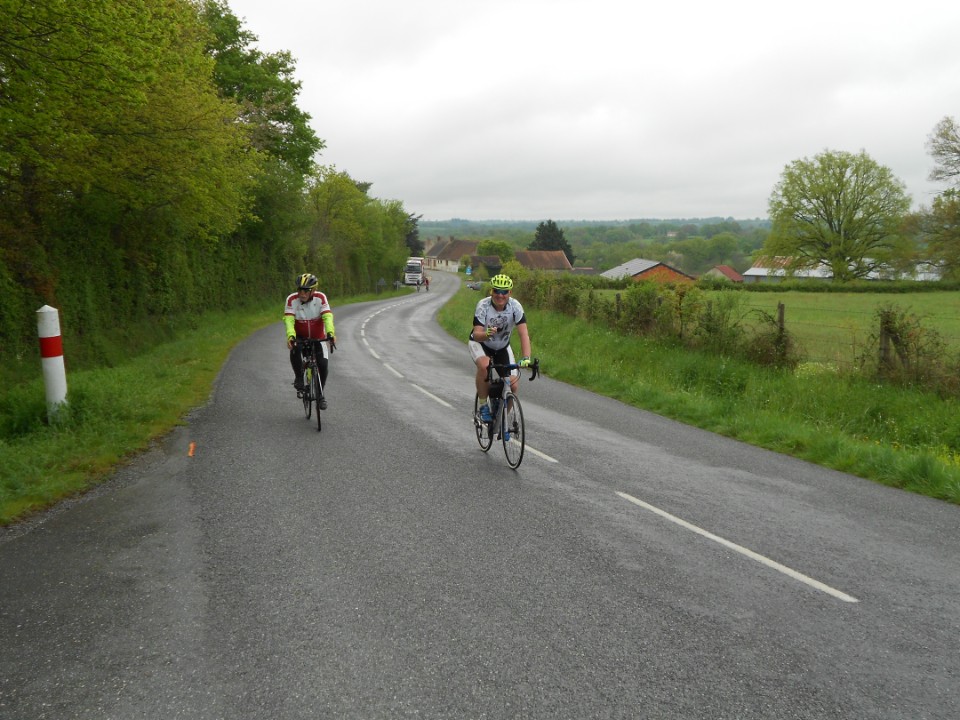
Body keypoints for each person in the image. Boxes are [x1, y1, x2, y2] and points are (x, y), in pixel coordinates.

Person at [468, 273, 532, 422]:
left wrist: (526, 358)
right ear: (491, 291)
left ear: (510, 292)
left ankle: (500, 419)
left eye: (504, 292)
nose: (500, 295)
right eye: (497, 290)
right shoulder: (483, 305)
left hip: (502, 346)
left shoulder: (515, 307)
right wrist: (486, 334)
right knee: (484, 365)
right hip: (480, 343)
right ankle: (483, 406)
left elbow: (523, 334)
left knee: (513, 385)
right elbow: (476, 334)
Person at [284, 273, 335, 409]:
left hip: (318, 336)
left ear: (313, 290)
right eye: (300, 290)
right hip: (300, 336)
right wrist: (291, 336)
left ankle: (320, 395)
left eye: (306, 291)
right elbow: (289, 321)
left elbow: (327, 317)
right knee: (295, 347)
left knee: (323, 365)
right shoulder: (291, 299)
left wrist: (330, 333)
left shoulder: (320, 298)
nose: (302, 293)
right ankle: (299, 377)